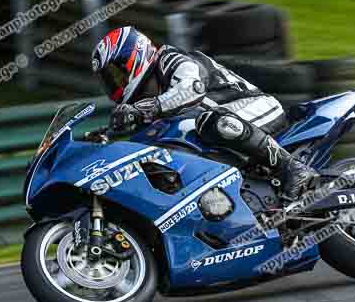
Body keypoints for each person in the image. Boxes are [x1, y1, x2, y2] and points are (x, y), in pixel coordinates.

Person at [92, 26, 317, 200]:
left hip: (255, 108)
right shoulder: (141, 100)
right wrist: (104, 138)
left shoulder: (170, 60)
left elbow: (190, 91)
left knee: (212, 121)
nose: (116, 83)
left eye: (117, 73)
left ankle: (293, 168)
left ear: (135, 54)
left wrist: (141, 110)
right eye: (109, 80)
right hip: (223, 135)